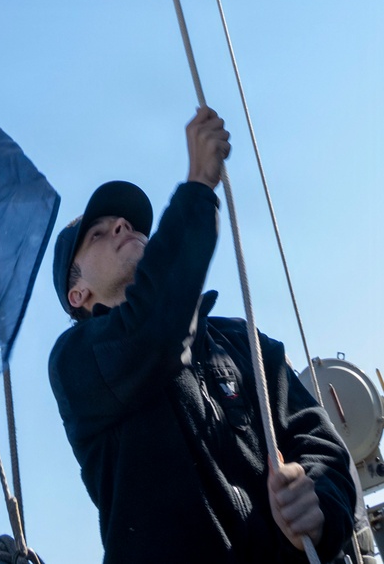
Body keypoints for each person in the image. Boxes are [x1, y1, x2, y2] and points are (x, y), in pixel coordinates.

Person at [47, 107, 358, 563]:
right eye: (98, 233)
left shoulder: (243, 342)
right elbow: (153, 330)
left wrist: (318, 503)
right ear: (78, 293)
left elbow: (317, 440)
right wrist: (197, 188)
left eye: (131, 224)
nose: (124, 226)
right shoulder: (77, 365)